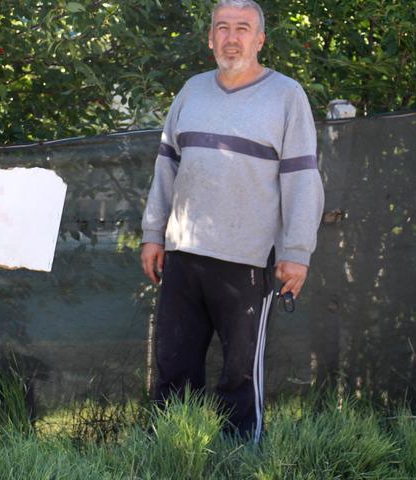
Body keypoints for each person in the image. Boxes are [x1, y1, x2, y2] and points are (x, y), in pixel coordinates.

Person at [140, 0, 324, 442]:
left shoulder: (286, 96)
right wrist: (153, 233)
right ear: (210, 39)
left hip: (247, 260)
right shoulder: (191, 91)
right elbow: (166, 167)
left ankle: (240, 457)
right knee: (174, 366)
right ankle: (171, 451)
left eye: (242, 28)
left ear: (260, 39)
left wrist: (297, 253)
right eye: (222, 28)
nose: (231, 37)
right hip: (183, 255)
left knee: (239, 375)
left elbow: (302, 179)